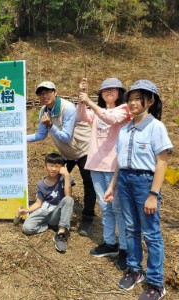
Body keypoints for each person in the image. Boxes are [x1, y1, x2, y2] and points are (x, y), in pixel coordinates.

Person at [104, 80, 172, 300]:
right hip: (124, 180)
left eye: (138, 98)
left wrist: (153, 194)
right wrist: (112, 186)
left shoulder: (156, 127)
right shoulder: (125, 129)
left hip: (145, 182)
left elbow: (162, 162)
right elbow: (119, 162)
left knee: (151, 234)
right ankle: (134, 270)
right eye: (130, 99)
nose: (132, 103)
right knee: (131, 228)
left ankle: (156, 283)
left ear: (150, 101)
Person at [27, 81, 96, 237]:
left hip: (85, 149)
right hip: (67, 153)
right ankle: (56, 211)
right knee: (56, 177)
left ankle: (87, 218)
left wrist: (50, 125)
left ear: (55, 92)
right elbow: (41, 135)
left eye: (48, 92)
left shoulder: (68, 108)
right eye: (41, 94)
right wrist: (20, 138)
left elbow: (65, 136)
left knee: (89, 183)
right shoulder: (44, 111)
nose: (45, 96)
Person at [77, 78, 131, 270]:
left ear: (120, 91)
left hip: (114, 167)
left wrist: (89, 101)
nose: (108, 91)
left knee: (118, 209)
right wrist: (81, 96)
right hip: (95, 165)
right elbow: (83, 116)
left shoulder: (125, 109)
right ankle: (110, 243)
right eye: (104, 89)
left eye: (112, 89)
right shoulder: (97, 112)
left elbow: (111, 119)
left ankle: (125, 248)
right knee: (104, 207)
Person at [18, 153, 74, 253]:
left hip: (56, 213)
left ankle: (61, 234)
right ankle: (47, 225)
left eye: (57, 166)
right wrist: (26, 211)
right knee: (26, 228)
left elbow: (68, 195)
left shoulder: (64, 178)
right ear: (45, 166)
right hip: (44, 211)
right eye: (51, 165)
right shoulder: (41, 184)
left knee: (69, 199)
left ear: (61, 167)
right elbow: (38, 203)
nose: (53, 169)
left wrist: (66, 175)